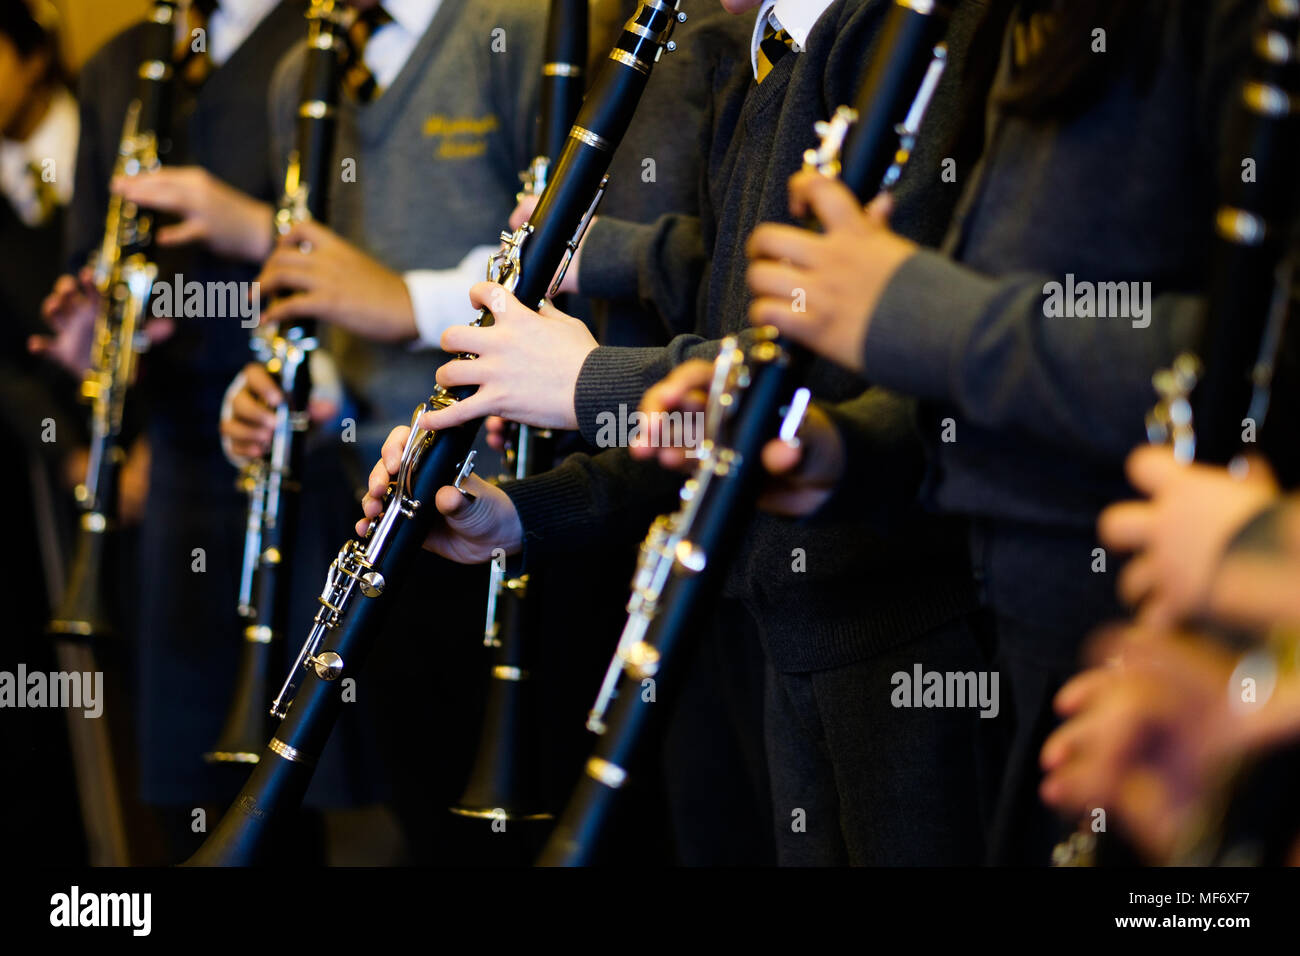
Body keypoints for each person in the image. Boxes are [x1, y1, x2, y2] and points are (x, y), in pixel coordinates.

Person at [361, 0, 997, 865]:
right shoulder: (763, 59)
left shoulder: (913, 38)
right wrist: (519, 512)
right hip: (789, 632)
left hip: (913, 639)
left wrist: (590, 382)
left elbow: (848, 385)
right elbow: (713, 421)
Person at [737, 0, 1262, 862]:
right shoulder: (1014, 21)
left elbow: (1247, 359)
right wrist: (850, 448)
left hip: (1182, 682)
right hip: (1034, 652)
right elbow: (1001, 354)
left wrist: (918, 315)